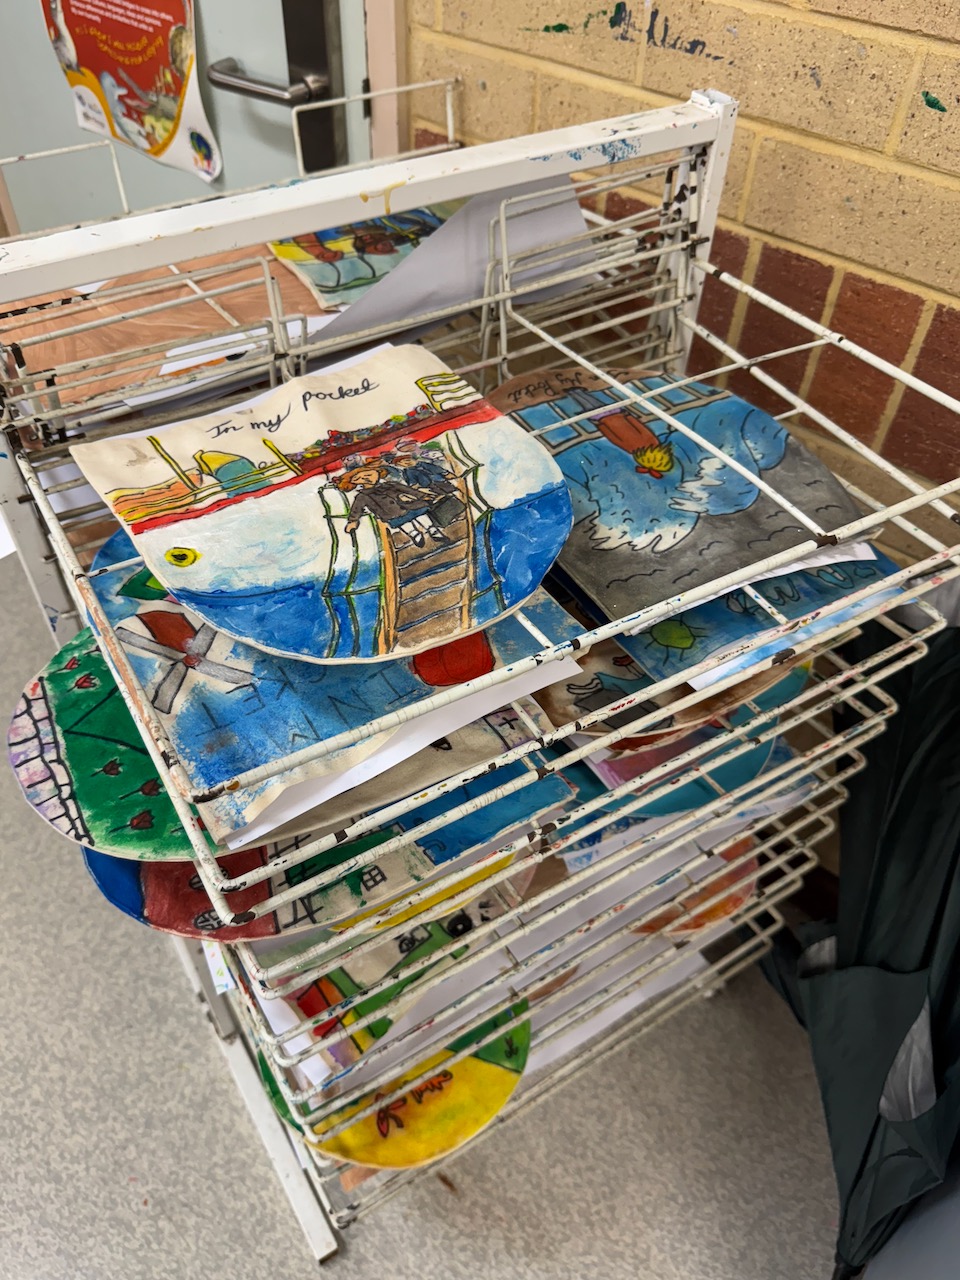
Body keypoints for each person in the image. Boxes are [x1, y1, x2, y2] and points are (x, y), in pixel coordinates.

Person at [335, 464, 448, 548]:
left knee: (421, 515)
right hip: (391, 514)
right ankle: (414, 534)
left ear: (377, 472)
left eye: (369, 474)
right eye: (359, 478)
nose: (367, 478)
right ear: (354, 482)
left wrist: (422, 496)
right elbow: (356, 509)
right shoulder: (362, 496)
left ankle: (432, 529)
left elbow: (407, 490)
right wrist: (353, 521)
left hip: (410, 505)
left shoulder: (390, 484)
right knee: (404, 523)